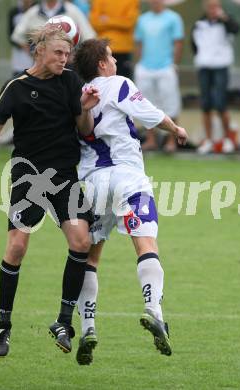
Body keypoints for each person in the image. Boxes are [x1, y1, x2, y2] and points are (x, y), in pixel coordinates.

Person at [0, 25, 100, 358]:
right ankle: (3, 326)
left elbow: (86, 130)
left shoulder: (71, 82)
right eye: (58, 53)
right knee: (17, 247)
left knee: (82, 241)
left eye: (67, 54)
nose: (64, 59)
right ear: (39, 50)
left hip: (65, 175)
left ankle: (64, 321)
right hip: (28, 176)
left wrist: (84, 107)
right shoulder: (17, 87)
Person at [73, 38, 188, 365]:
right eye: (110, 57)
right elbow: (148, 113)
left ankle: (88, 327)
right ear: (101, 64)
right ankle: (153, 309)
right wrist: (175, 127)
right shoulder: (118, 84)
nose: (115, 62)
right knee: (145, 243)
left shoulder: (78, 96)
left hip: (93, 182)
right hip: (128, 176)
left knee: (91, 257)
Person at [134, 0, 184, 153]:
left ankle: (171, 140)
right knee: (146, 104)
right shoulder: (142, 19)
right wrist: (140, 63)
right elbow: (139, 43)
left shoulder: (174, 18)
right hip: (145, 68)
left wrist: (174, 64)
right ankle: (151, 140)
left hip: (165, 67)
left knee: (170, 103)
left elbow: (178, 42)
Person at [191, 0, 240, 154]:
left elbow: (236, 29)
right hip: (204, 67)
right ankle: (208, 140)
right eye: (209, 7)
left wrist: (224, 18)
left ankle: (227, 139)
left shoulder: (226, 22)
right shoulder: (199, 23)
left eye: (215, 7)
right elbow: (194, 45)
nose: (212, 10)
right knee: (205, 104)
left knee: (220, 103)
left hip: (221, 66)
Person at [11, 0, 95, 53]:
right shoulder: (32, 12)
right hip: (41, 69)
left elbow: (89, 37)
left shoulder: (73, 11)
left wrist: (73, 56)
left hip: (68, 68)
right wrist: (33, 54)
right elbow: (17, 36)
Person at [89, 0, 139, 79]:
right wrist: (119, 20)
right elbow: (94, 22)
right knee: (103, 84)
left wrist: (107, 20)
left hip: (123, 50)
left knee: (124, 85)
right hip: (103, 50)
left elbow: (129, 23)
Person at [8, 0, 36, 76]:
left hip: (35, 54)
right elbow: (11, 36)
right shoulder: (14, 12)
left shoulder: (37, 11)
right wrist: (23, 46)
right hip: (19, 55)